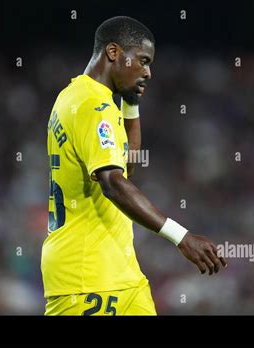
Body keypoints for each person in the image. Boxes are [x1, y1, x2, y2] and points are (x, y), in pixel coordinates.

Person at [41, 16, 227, 316]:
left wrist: (131, 104)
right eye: (143, 61)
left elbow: (128, 168)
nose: (148, 73)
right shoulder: (92, 106)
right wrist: (181, 237)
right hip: (86, 278)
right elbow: (114, 183)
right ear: (114, 53)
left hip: (123, 276)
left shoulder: (82, 98)